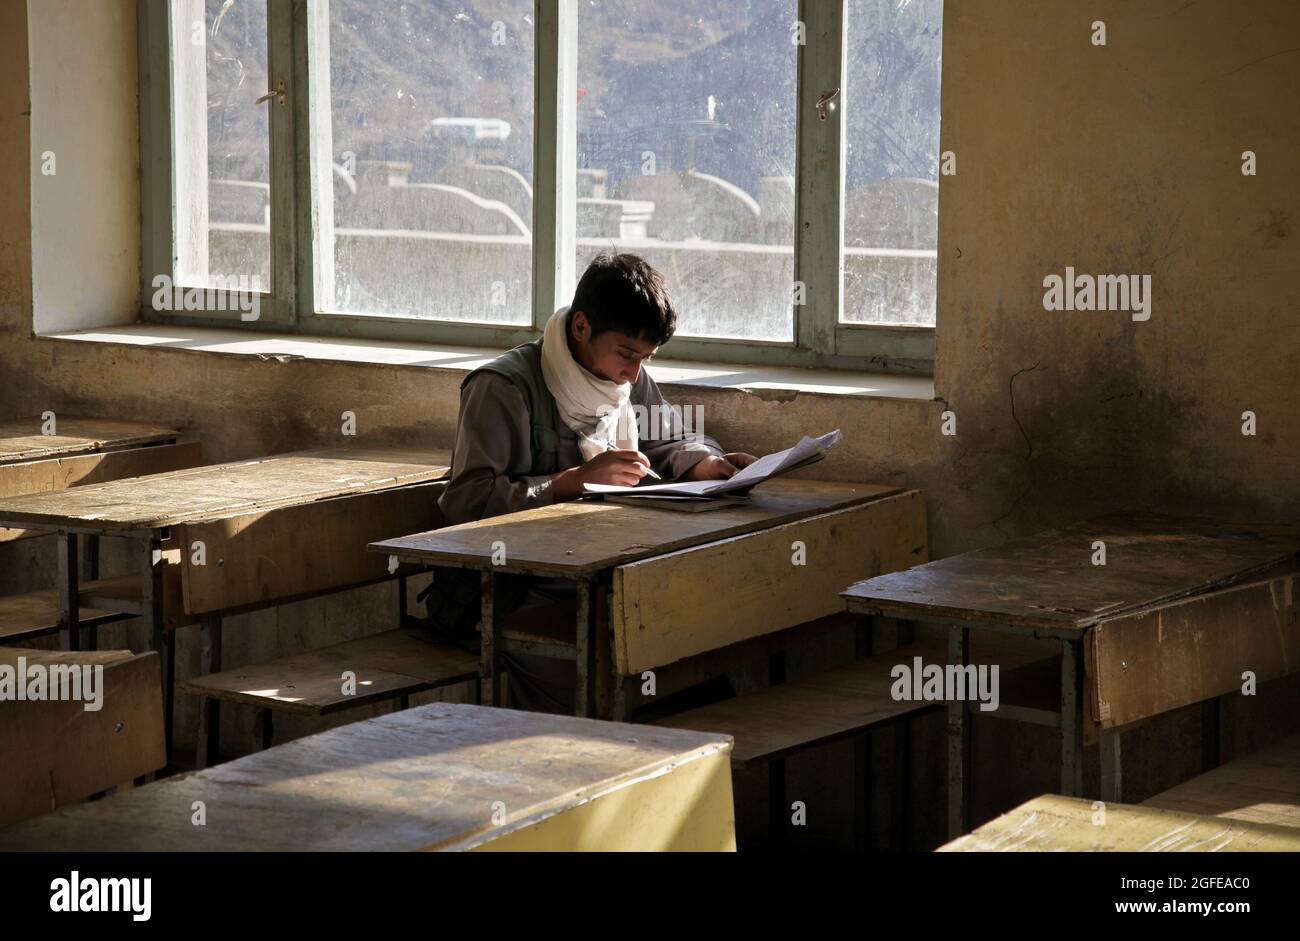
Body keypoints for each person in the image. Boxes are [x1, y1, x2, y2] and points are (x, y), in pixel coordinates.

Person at [421, 252, 756, 713]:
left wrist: (703, 464)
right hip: (515, 595)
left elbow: (674, 437)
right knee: (610, 696)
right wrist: (569, 482)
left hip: (604, 580)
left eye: (646, 358)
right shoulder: (502, 388)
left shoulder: (623, 377)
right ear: (581, 327)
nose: (636, 372)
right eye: (627, 354)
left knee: (692, 670)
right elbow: (465, 501)